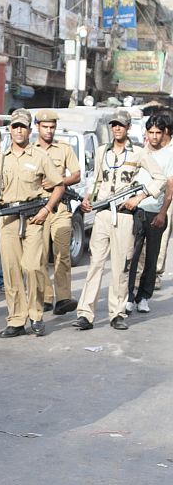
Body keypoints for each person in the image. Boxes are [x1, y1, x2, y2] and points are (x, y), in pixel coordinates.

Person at [71, 110, 165, 331]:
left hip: (124, 215)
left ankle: (117, 313)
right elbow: (95, 180)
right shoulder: (102, 151)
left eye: (121, 125)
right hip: (103, 212)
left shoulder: (139, 153)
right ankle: (86, 314)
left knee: (120, 267)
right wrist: (87, 199)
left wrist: (139, 197)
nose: (117, 128)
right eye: (114, 125)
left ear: (128, 127)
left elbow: (160, 178)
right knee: (95, 264)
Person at [0, 109, 64, 338]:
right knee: (11, 270)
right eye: (15, 126)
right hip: (8, 218)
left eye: (23, 127)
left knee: (33, 266)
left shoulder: (40, 156)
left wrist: (46, 210)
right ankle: (16, 320)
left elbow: (59, 185)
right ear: (10, 129)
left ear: (29, 129)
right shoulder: (0, 158)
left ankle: (36, 315)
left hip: (34, 217)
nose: (18, 130)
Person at [32, 110, 81, 316]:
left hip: (60, 207)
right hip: (37, 208)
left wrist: (58, 182)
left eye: (52, 127)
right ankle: (46, 297)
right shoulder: (29, 150)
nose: (49, 130)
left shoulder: (64, 149)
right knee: (40, 255)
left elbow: (77, 174)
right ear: (37, 128)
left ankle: (62, 298)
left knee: (62, 254)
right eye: (45, 127)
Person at [126, 112, 173, 313]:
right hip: (136, 210)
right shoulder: (139, 152)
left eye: (158, 133)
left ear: (164, 133)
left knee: (152, 258)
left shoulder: (169, 154)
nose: (154, 136)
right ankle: (128, 296)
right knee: (131, 256)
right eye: (151, 132)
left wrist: (163, 213)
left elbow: (170, 186)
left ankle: (144, 297)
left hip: (156, 211)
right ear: (146, 133)